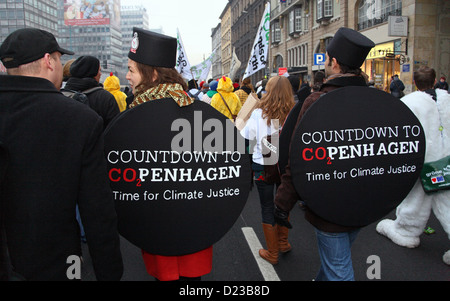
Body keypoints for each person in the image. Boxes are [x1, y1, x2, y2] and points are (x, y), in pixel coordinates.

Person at [0, 27, 123, 280]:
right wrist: (109, 272)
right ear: (48, 61)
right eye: (58, 58)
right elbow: (97, 209)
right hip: (58, 261)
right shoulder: (80, 119)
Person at [273, 27, 375, 281]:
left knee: (338, 271)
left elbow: (298, 160)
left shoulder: (317, 101)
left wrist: (282, 205)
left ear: (334, 62)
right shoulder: (374, 100)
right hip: (365, 200)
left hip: (329, 203)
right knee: (334, 263)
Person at [126, 27, 213, 281]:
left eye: (131, 70)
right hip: (189, 224)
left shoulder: (194, 115)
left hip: (173, 222)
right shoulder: (194, 110)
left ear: (152, 74)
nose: (127, 76)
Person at [376, 66, 450, 265]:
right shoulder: (447, 99)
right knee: (446, 199)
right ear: (435, 81)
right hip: (446, 159)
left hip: (424, 160)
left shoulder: (409, 102)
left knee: (417, 196)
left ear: (415, 83)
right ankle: (406, 230)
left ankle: (406, 230)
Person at [240, 76, 295, 265]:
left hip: (262, 162)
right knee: (283, 203)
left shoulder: (258, 112)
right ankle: (283, 242)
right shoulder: (293, 112)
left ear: (267, 90)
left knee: (267, 206)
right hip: (285, 164)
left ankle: (272, 253)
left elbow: (246, 136)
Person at [64, 55, 120, 129]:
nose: (101, 74)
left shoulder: (62, 94)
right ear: (92, 73)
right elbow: (115, 128)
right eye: (99, 70)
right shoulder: (105, 98)